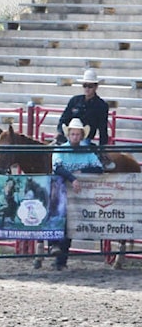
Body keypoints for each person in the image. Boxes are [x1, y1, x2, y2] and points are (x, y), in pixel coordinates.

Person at [50, 118, 103, 270]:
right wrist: (74, 178)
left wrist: (81, 172)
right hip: (62, 192)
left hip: (76, 195)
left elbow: (99, 168)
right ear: (68, 135)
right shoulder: (60, 150)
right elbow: (57, 168)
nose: (75, 137)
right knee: (60, 221)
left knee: (69, 225)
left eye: (77, 134)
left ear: (81, 136)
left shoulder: (86, 152)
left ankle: (61, 260)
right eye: (73, 134)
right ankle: (56, 252)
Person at [56, 69, 114, 169]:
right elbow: (64, 118)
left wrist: (102, 147)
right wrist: (59, 131)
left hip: (85, 139)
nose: (87, 88)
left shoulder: (101, 105)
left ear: (96, 87)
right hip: (68, 136)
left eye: (90, 86)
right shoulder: (74, 100)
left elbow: (102, 128)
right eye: (85, 85)